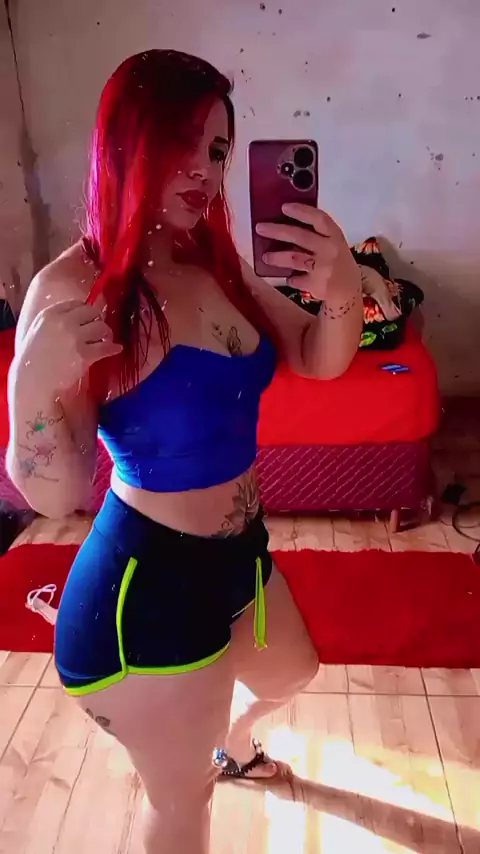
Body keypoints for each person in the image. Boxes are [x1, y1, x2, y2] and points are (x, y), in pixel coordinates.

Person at [6, 50, 363, 854]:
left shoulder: (213, 260)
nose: (206, 169)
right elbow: (53, 494)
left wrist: (342, 287)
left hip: (238, 557)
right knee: (183, 802)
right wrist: (29, 387)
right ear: (126, 143)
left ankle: (228, 744)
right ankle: (198, 752)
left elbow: (317, 354)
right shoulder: (74, 289)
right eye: (183, 142)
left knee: (292, 672)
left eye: (219, 148)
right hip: (146, 590)